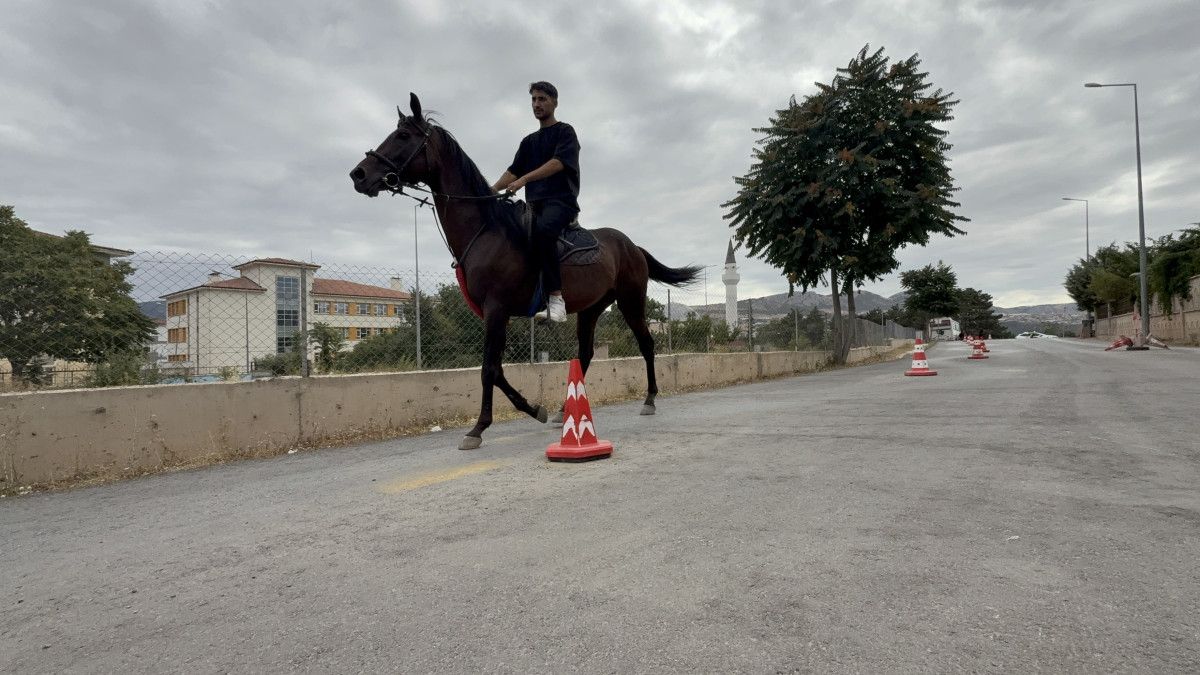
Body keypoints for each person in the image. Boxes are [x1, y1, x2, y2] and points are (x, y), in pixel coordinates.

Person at [491, 81, 581, 322]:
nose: (537, 104)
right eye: (533, 100)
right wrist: (491, 189)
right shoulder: (528, 142)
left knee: (543, 232)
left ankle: (556, 300)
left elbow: (557, 163)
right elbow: (512, 171)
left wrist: (523, 180)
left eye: (542, 99)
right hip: (535, 205)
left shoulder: (565, 132)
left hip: (561, 203)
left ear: (555, 102)